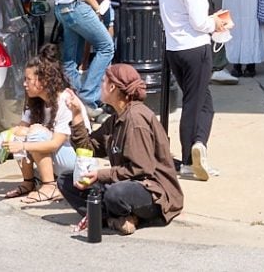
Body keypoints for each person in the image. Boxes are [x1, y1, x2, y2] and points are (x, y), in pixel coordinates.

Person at [58, 64, 183, 236]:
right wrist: (77, 115)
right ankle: (114, 218)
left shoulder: (136, 119)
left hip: (153, 192)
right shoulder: (115, 119)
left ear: (112, 87)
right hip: (125, 182)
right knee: (66, 180)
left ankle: (121, 217)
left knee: (114, 194)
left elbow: (141, 169)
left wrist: (101, 175)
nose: (100, 86)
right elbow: (88, 148)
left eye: (103, 81)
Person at [157, 0, 231, 181]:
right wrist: (217, 23)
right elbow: (200, 23)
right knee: (194, 103)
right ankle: (190, 156)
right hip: (196, 48)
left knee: (202, 101)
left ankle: (199, 145)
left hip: (174, 49)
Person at [1, 45, 90, 204]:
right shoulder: (34, 102)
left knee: (35, 131)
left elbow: (55, 143)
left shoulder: (65, 100)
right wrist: (9, 136)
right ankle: (29, 182)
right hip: (57, 159)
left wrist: (23, 146)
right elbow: (21, 128)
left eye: (28, 79)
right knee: (19, 133)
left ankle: (49, 185)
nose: (24, 84)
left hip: (76, 161)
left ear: (43, 81)